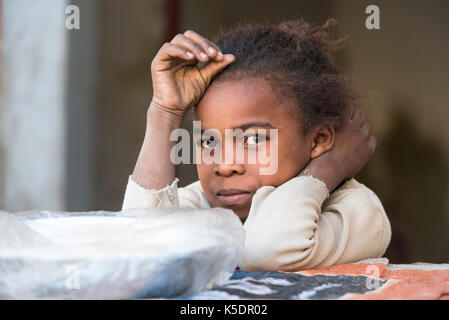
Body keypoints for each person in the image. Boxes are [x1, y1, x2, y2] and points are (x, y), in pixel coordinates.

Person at [122, 19, 391, 272]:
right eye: (208, 141)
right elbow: (139, 248)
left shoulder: (357, 211)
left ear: (319, 140)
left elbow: (266, 250)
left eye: (253, 139)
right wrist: (164, 113)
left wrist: (330, 166)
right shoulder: (202, 204)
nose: (226, 166)